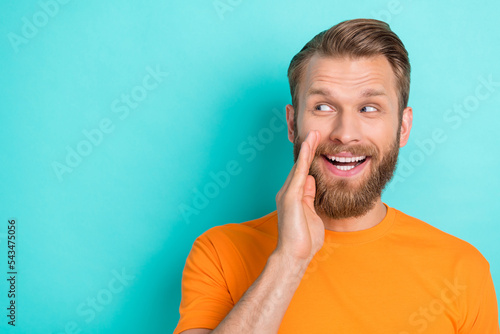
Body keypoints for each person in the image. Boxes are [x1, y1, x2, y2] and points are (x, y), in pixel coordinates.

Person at [174, 19, 499, 334]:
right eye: (323, 107)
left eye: (369, 108)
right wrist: (290, 259)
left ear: (403, 127)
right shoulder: (220, 253)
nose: (345, 134)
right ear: (291, 124)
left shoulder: (463, 269)